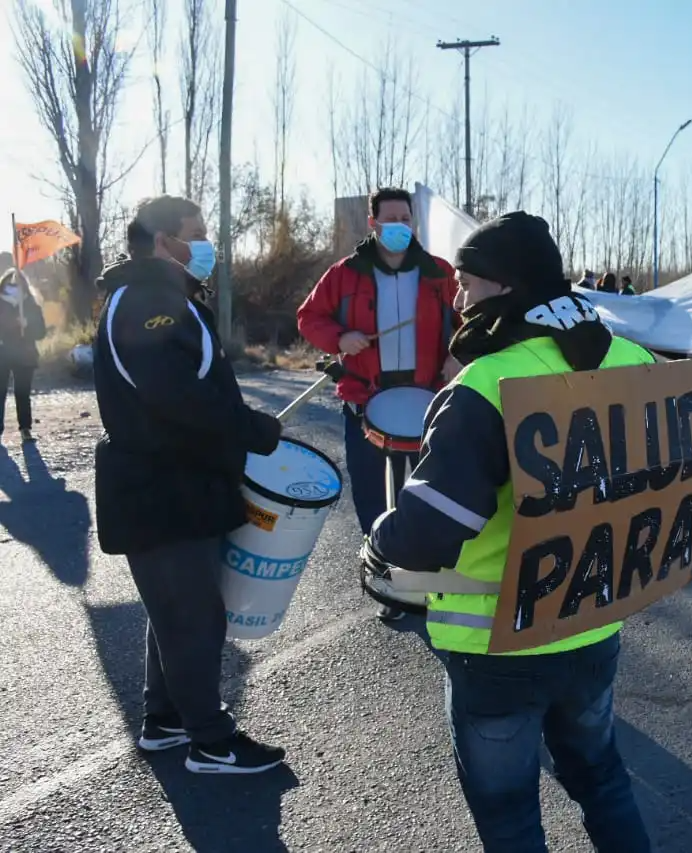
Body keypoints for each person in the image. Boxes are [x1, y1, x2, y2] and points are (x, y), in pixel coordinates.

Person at [368, 211, 652, 851]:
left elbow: (428, 532)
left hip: (497, 643)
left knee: (511, 816)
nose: (461, 301)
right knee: (604, 779)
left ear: (502, 285)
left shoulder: (488, 381)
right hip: (595, 622)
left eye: (467, 285)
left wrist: (377, 542)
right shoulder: (635, 359)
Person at [93, 195, 285, 773]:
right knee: (195, 617)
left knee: (178, 611)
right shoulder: (146, 300)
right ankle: (212, 741)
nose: (206, 245)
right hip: (162, 488)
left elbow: (188, 390)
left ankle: (167, 719)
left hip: (178, 484)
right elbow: (174, 393)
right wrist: (248, 428)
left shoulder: (158, 295)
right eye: (195, 233)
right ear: (161, 242)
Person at [297, 187, 459, 623]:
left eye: (406, 219)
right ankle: (386, 577)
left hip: (426, 399)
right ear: (373, 224)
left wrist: (454, 356)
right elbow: (309, 318)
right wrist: (339, 339)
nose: (400, 228)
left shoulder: (440, 274)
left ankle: (424, 577)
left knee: (424, 494)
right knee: (372, 495)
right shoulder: (345, 274)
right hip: (365, 398)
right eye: (390, 220)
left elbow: (468, 323)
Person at [0, 268, 47, 442]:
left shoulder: (30, 305)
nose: (13, 287)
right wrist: (10, 325)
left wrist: (27, 324)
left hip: (24, 353)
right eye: (10, 284)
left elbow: (41, 332)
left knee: (22, 392)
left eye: (17, 284)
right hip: (2, 352)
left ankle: (25, 428)